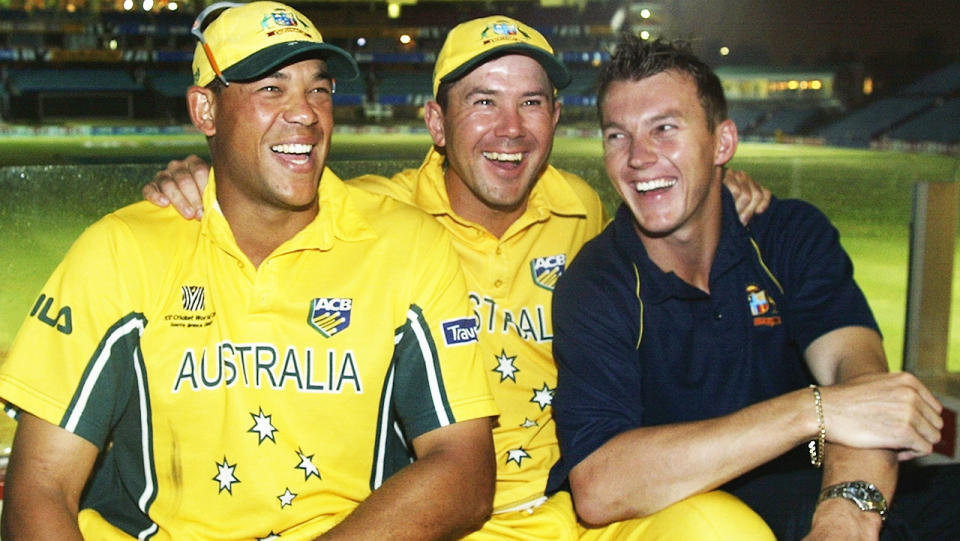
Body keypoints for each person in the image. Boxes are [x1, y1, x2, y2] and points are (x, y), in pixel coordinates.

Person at [143, 15, 777, 540]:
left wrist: (720, 191)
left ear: (555, 119)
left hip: (577, 512)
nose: (511, 129)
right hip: (435, 520)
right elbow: (270, 193)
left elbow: (671, 222)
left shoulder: (584, 209)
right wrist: (199, 176)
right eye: (483, 102)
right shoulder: (373, 215)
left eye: (531, 102)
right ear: (437, 124)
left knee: (727, 529)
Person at [0, 3, 500, 540]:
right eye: (271, 89)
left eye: (319, 89)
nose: (305, 113)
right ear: (205, 111)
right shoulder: (121, 250)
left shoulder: (407, 244)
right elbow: (40, 486)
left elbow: (465, 473)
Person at [546, 33, 960, 541]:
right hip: (689, 511)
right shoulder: (595, 285)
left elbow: (862, 384)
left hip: (821, 487)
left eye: (665, 129)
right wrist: (813, 409)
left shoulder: (789, 235)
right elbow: (600, 487)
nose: (638, 157)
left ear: (722, 143)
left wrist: (843, 518)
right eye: (617, 135)